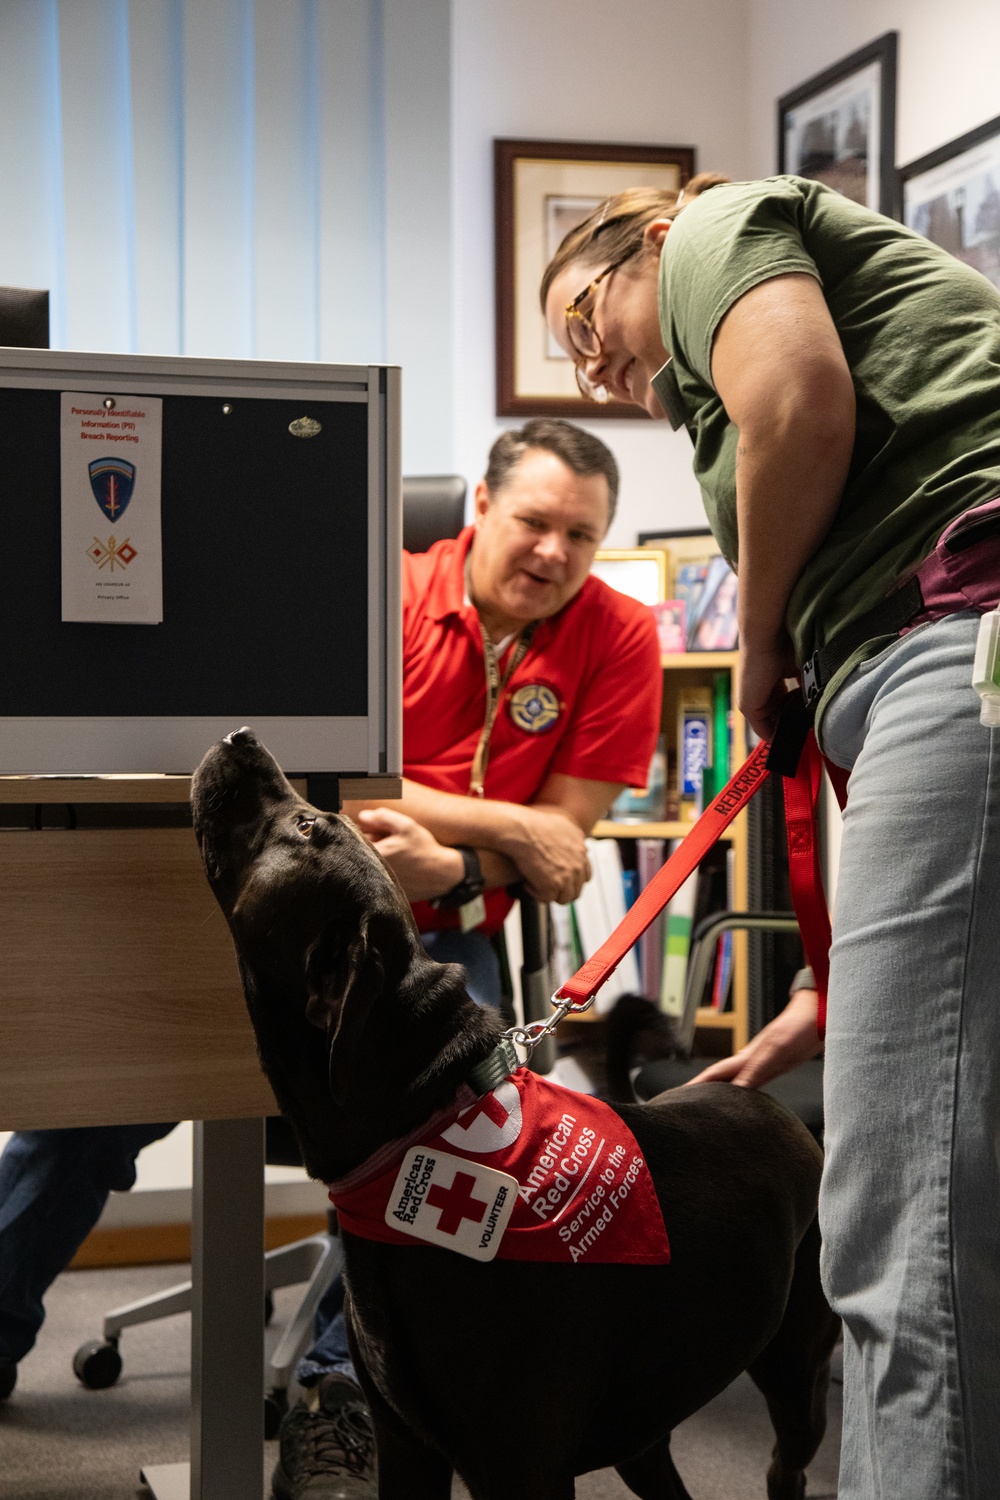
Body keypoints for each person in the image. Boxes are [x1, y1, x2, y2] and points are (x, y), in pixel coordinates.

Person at [0, 419, 662, 1500]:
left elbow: (562, 844)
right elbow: (312, 781)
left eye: (580, 537)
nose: (553, 552)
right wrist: (487, 824)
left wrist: (453, 865)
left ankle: (338, 1397)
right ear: (479, 509)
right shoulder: (378, 590)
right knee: (89, 1109)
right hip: (292, 923)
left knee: (450, 1140)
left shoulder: (620, 634)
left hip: (451, 936)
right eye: (535, 522)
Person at [542, 173, 1000, 1500]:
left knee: (901, 1224)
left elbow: (797, 401)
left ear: (643, 236)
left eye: (586, 313)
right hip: (960, 656)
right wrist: (842, 986)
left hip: (956, 640)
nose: (592, 358)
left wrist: (757, 656)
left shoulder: (708, 231)